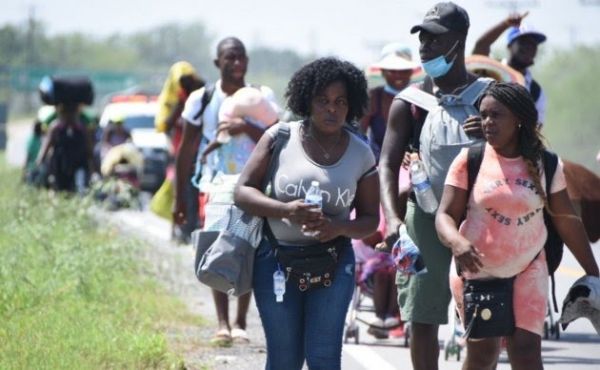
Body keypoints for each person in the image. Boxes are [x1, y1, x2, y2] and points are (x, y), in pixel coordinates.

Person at [436, 82, 599, 370]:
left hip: (529, 267)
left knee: (526, 352)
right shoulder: (470, 160)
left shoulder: (546, 164)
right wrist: (456, 242)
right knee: (483, 355)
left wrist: (593, 273)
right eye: (483, 115)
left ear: (519, 119)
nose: (487, 122)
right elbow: (445, 215)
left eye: (496, 115)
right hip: (478, 271)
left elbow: (567, 221)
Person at [234, 57, 379, 369]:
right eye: (323, 100)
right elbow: (243, 191)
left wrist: (338, 228)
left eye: (341, 102)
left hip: (334, 263)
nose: (332, 109)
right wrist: (286, 210)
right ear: (307, 101)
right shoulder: (279, 138)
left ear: (351, 105)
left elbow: (370, 220)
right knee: (284, 360)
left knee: (324, 359)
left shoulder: (361, 153)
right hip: (275, 261)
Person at [379, 3, 492, 369]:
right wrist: (394, 221)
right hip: (425, 217)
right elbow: (386, 165)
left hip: (482, 219)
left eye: (435, 38)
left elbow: (528, 150)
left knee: (484, 317)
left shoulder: (490, 98)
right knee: (423, 317)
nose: (425, 46)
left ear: (459, 41)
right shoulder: (409, 103)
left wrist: (491, 136)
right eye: (422, 38)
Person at [174, 37, 278, 346]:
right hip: (214, 184)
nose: (237, 63)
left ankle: (241, 321)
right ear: (218, 63)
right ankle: (222, 322)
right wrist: (180, 198)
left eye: (242, 57)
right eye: (230, 58)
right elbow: (187, 148)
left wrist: (245, 127)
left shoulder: (260, 97)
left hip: (253, 186)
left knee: (249, 246)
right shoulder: (202, 99)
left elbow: (277, 136)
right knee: (215, 245)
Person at [155, 61, 205, 244]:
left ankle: (190, 229)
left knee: (194, 192)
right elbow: (166, 124)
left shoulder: (202, 100)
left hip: (199, 154)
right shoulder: (182, 101)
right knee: (181, 190)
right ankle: (180, 229)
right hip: (182, 154)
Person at [472, 13, 547, 124]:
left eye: (533, 44)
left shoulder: (535, 91)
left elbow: (535, 129)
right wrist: (505, 24)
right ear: (509, 46)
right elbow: (480, 47)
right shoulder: (491, 70)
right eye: (524, 42)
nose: (529, 48)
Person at [360, 43, 418, 160]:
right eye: (392, 70)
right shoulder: (373, 97)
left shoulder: (421, 97)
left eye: (403, 70)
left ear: (411, 71)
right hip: (378, 166)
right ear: (382, 71)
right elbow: (360, 135)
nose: (398, 75)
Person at [37, 101, 94, 193]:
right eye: (67, 112)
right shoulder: (56, 127)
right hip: (60, 165)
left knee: (79, 188)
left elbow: (89, 148)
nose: (69, 115)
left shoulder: (81, 127)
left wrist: (92, 166)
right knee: (61, 189)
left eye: (72, 112)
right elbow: (46, 146)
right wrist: (40, 161)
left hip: (78, 164)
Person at [22, 119, 44, 185]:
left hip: (32, 168)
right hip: (38, 168)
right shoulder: (40, 139)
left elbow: (28, 155)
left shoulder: (32, 140)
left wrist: (24, 169)